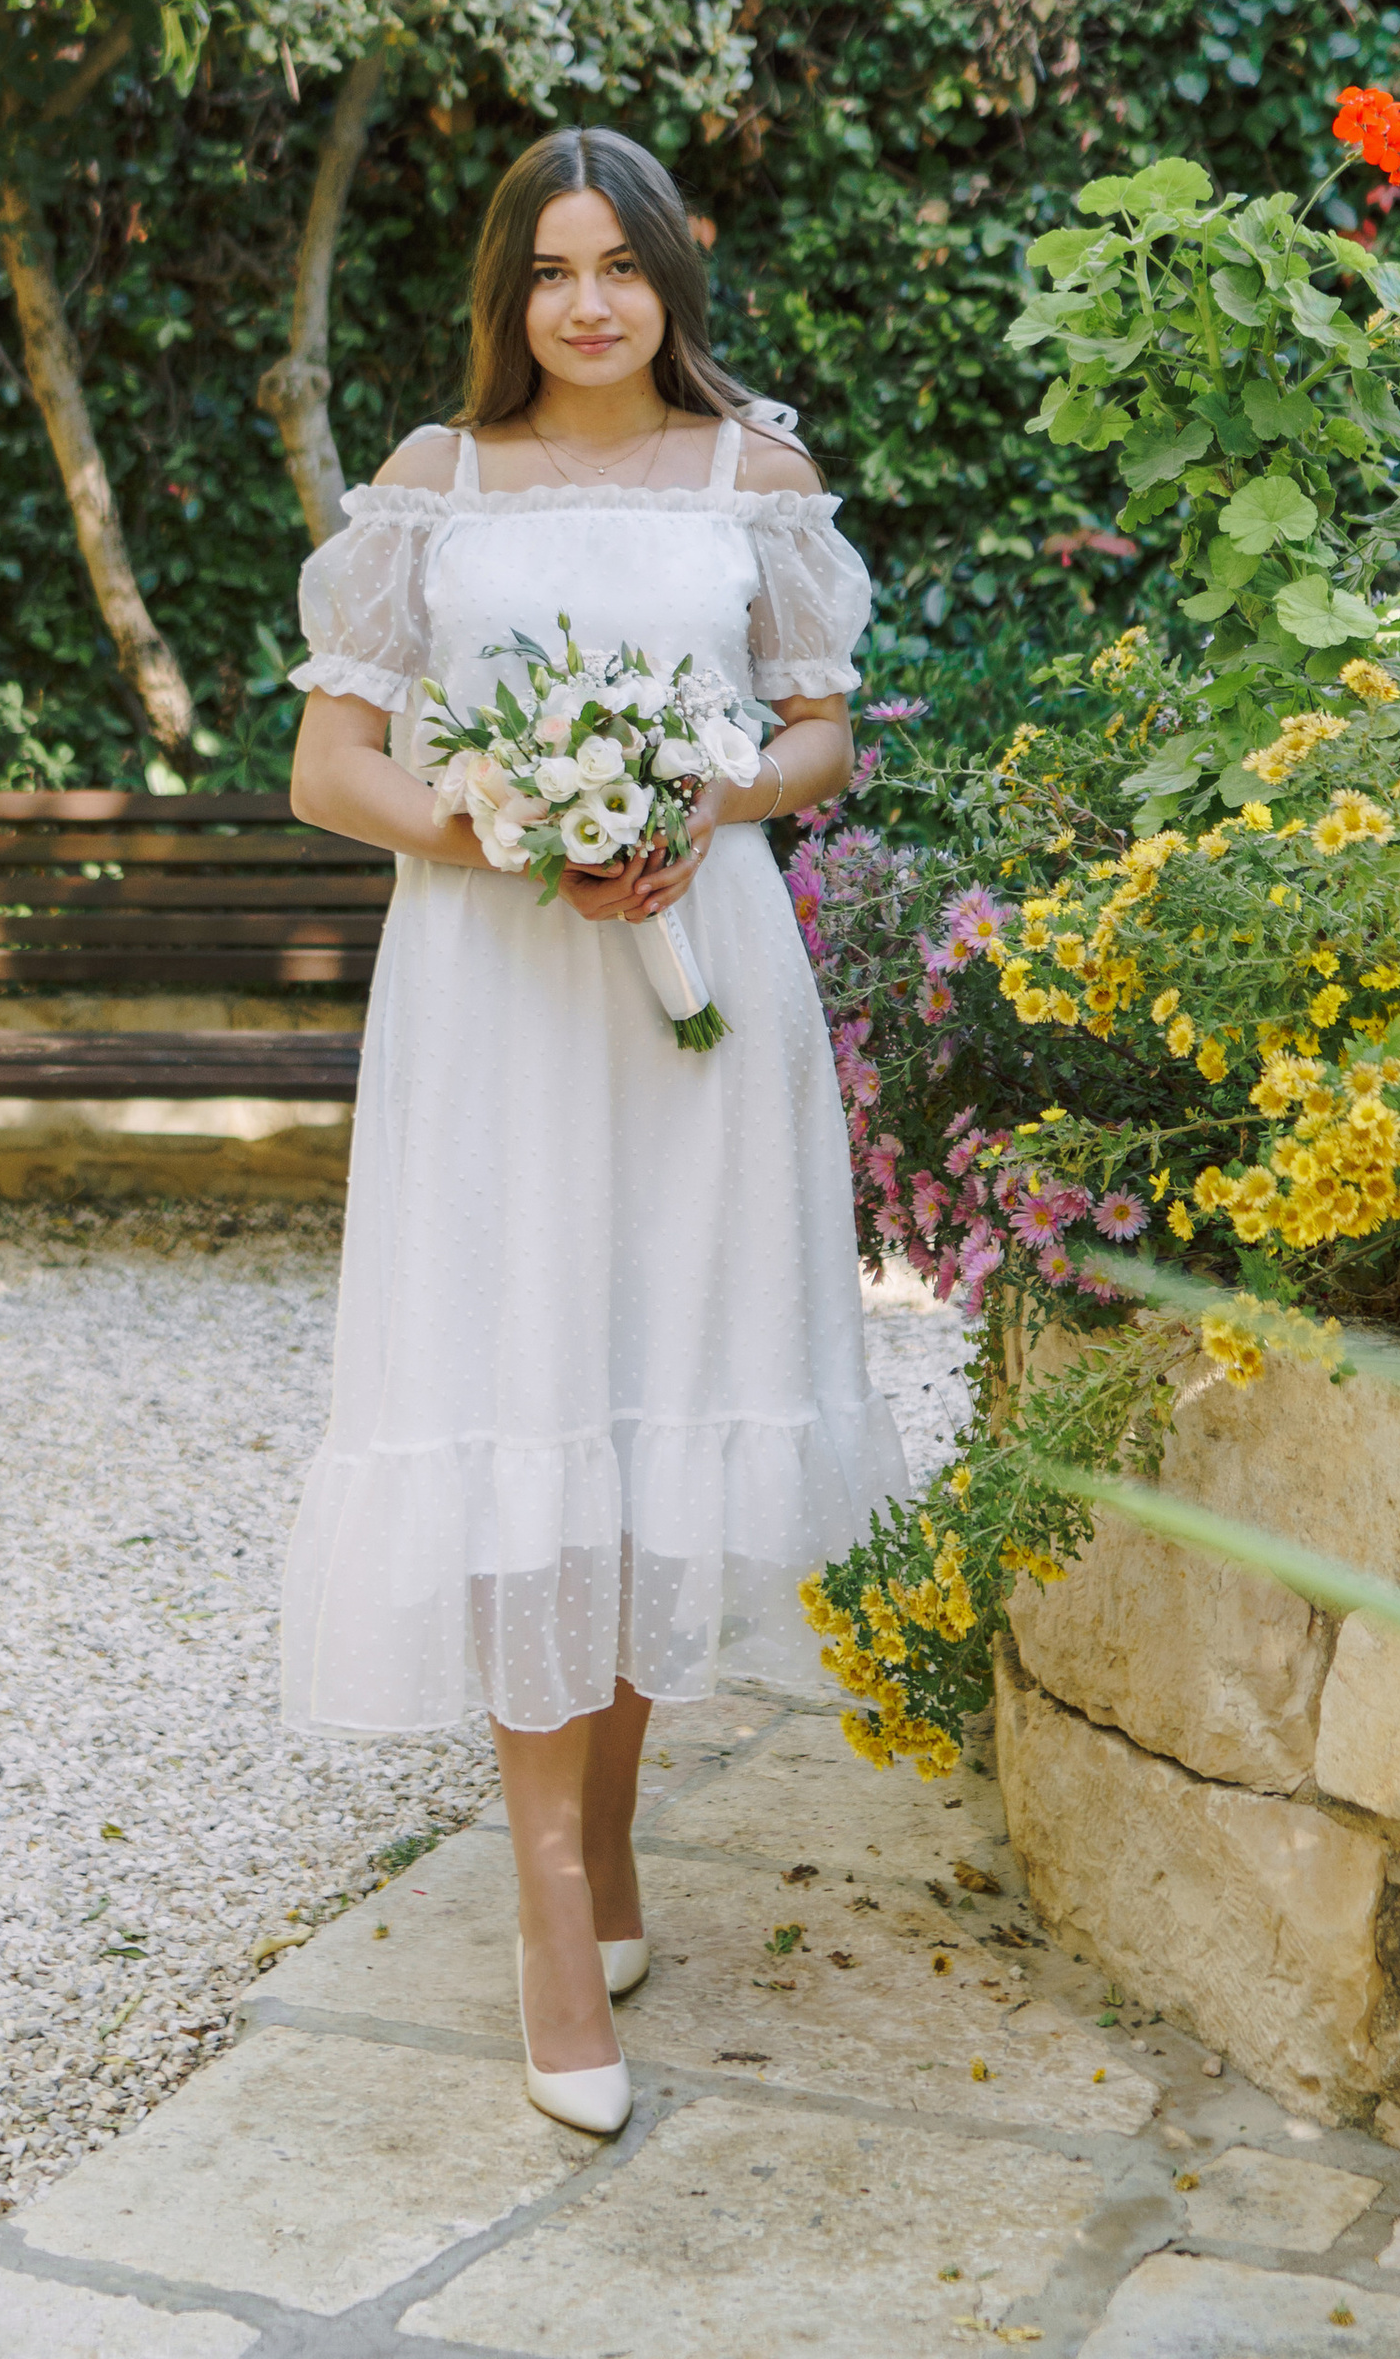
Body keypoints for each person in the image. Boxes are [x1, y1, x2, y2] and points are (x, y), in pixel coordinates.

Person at [280, 123, 906, 2139]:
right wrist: (491, 822)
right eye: (549, 270)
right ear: (506, 294)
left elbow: (815, 733)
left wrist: (701, 800)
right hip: (492, 1001)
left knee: (648, 1404)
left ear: (666, 284)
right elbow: (327, 768)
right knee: (517, 1395)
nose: (586, 303)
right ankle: (550, 1898)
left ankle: (610, 1832)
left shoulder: (755, 479)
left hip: (701, 992)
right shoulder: (431, 486)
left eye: (618, 266)